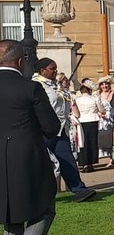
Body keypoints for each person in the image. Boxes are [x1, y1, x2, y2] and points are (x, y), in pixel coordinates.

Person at [0, 39, 60, 235]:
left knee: (10, 213)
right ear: (21, 61)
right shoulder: (30, 88)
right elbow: (51, 126)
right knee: (44, 208)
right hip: (26, 155)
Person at [35, 57, 95, 202]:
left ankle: (79, 189)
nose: (55, 71)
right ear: (42, 70)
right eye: (52, 69)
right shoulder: (36, 85)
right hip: (43, 130)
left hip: (59, 128)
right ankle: (39, 193)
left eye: (56, 68)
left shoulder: (54, 85)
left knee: (67, 159)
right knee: (43, 163)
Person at [75, 80, 101, 172]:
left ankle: (84, 162)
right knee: (92, 141)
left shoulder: (77, 99)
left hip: (81, 121)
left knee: (83, 142)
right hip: (93, 120)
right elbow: (101, 109)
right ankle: (90, 162)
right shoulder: (94, 98)